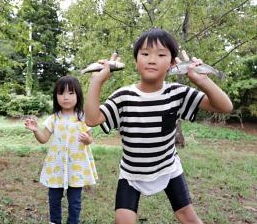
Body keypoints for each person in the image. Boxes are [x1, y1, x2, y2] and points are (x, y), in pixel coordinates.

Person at [84, 28, 233, 224]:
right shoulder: (123, 97)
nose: (151, 60)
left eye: (161, 54)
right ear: (136, 61)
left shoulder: (177, 93)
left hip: (168, 168)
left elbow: (225, 107)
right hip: (131, 174)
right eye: (145, 54)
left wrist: (202, 80)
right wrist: (96, 81)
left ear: (172, 64)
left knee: (188, 217)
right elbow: (92, 119)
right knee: (123, 220)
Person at [25, 75, 98, 224]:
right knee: (54, 198)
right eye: (61, 93)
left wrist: (87, 140)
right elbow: (44, 138)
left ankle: (73, 221)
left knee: (75, 200)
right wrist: (35, 130)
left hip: (76, 166)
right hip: (56, 166)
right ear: (56, 96)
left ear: (78, 95)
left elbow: (90, 138)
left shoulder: (82, 117)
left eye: (71, 93)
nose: (66, 97)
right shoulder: (53, 118)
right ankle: (55, 221)